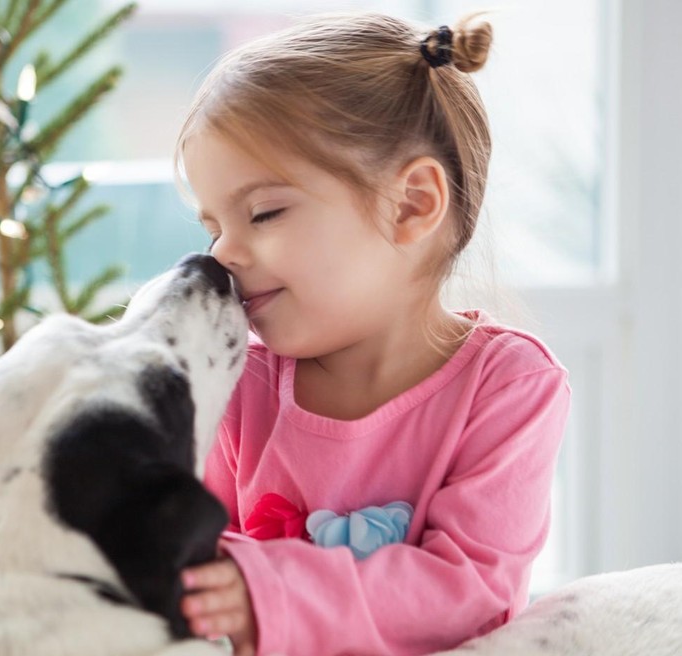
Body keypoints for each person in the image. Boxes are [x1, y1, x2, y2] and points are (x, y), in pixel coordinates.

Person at [175, 10, 570, 656]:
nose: (222, 255)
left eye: (264, 212)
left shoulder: (510, 389)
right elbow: (199, 556)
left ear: (412, 204)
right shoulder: (238, 383)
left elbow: (468, 591)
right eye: (213, 226)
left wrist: (268, 594)